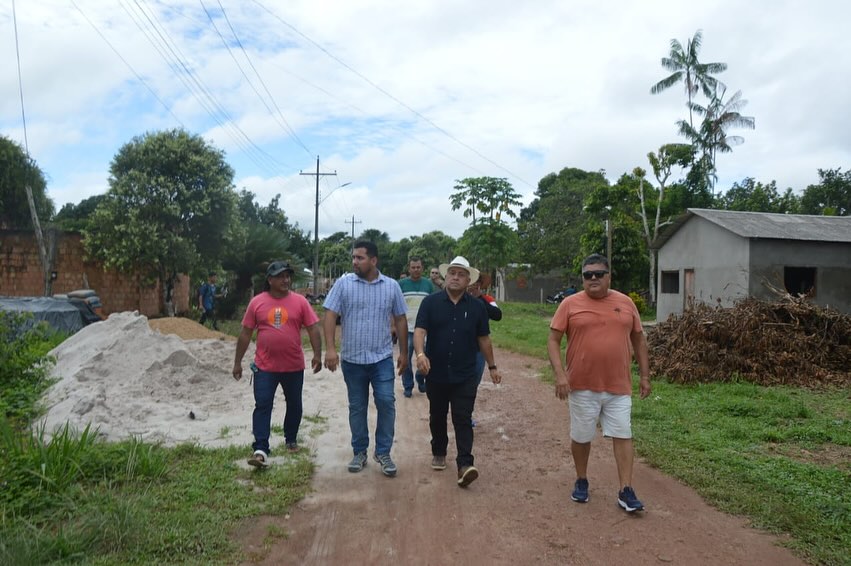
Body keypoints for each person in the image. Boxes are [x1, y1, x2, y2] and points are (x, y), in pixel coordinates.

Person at [546, 253, 651, 513]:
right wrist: (560, 374)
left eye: (598, 274)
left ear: (608, 277)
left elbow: (639, 339)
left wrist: (645, 376)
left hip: (619, 386)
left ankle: (626, 490)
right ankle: (581, 479)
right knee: (581, 436)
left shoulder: (626, 303)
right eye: (587, 275)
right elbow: (552, 340)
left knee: (623, 434)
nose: (592, 279)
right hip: (581, 385)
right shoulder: (570, 304)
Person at [323, 241, 408, 477]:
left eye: (360, 258)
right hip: (352, 359)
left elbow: (400, 319)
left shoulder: (391, 286)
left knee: (386, 402)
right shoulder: (343, 284)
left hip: (381, 358)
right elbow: (330, 314)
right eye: (354, 257)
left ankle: (383, 452)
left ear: (373, 260)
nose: (354, 262)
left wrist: (404, 352)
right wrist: (330, 349)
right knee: (357, 407)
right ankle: (359, 451)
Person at [414, 256, 501, 488]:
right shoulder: (431, 303)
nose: (455, 277)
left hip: (465, 373)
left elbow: (484, 338)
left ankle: (465, 464)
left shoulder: (477, 307)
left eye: (460, 274)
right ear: (446, 276)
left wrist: (492, 367)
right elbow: (420, 331)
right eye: (452, 272)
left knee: (463, 418)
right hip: (436, 372)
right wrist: (420, 355)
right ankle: (439, 450)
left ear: (468, 280)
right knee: (437, 415)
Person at [233, 261, 322, 468]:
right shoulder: (257, 302)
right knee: (263, 405)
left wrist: (317, 354)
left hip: (293, 366)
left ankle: (290, 438)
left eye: (288, 276)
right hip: (265, 367)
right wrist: (237, 362)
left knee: (295, 404)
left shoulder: (300, 302)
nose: (286, 280)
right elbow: (246, 333)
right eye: (281, 276)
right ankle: (261, 448)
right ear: (270, 279)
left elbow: (312, 329)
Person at [398, 256, 435, 397]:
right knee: (405, 359)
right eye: (413, 267)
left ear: (422, 268)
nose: (416, 270)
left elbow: (433, 305)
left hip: (424, 329)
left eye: (418, 267)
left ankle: (421, 377)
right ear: (409, 268)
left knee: (426, 356)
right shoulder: (401, 284)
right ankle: (408, 386)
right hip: (406, 329)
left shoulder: (428, 284)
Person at [467, 279, 502, 384]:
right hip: (463, 345)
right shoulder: (460, 298)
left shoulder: (487, 299)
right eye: (472, 282)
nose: (474, 285)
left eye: (477, 282)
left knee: (475, 378)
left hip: (479, 346)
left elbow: (497, 315)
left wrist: (479, 298)